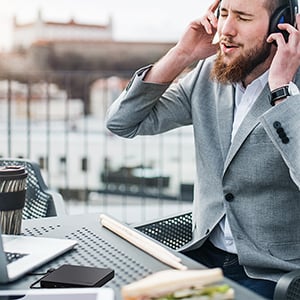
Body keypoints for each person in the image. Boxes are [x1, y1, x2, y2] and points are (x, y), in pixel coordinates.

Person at [105, 0, 300, 298]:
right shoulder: (207, 75)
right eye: (223, 14)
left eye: (243, 18)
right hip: (201, 258)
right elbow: (123, 122)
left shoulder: (292, 89)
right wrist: (182, 54)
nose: (226, 29)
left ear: (282, 24)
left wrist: (282, 91)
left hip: (275, 274)